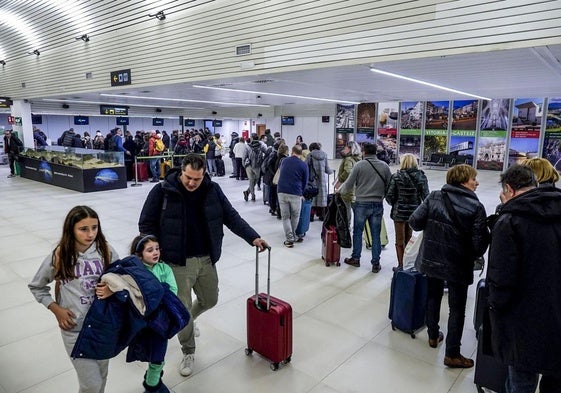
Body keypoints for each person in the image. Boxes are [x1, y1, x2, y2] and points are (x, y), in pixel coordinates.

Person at [138, 153, 268, 377]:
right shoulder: (162, 191)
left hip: (206, 259)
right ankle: (188, 350)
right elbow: (146, 223)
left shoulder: (212, 190)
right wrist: (151, 249)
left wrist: (252, 237)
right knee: (182, 308)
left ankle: (188, 319)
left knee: (210, 299)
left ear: (204, 175)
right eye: (188, 177)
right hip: (177, 263)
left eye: (196, 179)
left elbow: (231, 216)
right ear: (182, 171)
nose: (191, 183)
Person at [28, 206, 119, 393]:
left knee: (102, 376)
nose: (90, 233)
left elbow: (124, 279)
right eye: (83, 229)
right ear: (71, 229)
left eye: (94, 227)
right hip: (74, 329)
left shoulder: (106, 251)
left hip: (102, 326)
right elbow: (37, 286)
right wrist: (56, 309)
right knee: (91, 385)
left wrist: (112, 288)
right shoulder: (60, 254)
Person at [487, 165, 561, 393]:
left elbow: (501, 277)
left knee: (521, 380)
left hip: (522, 320)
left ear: (508, 188)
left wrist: (495, 309)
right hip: (556, 314)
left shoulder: (510, 221)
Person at [409, 164, 489, 368]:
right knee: (457, 308)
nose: (477, 182)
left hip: (432, 259)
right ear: (463, 180)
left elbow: (415, 222)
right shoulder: (476, 207)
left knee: (433, 297)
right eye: (473, 179)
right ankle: (452, 353)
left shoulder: (435, 196)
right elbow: (479, 246)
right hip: (458, 265)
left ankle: (433, 336)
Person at [130, 235, 177, 393]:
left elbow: (172, 293)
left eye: (157, 249)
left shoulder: (165, 269)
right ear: (139, 255)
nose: (155, 252)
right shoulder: (136, 272)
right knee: (150, 354)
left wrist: (155, 295)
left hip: (161, 322)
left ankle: (151, 384)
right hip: (144, 323)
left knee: (158, 357)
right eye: (150, 250)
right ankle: (153, 382)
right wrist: (160, 291)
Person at [337, 142, 391, 273]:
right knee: (375, 235)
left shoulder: (359, 165)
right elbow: (390, 185)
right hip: (377, 204)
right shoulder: (384, 166)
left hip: (361, 204)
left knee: (357, 232)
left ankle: (356, 258)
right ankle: (376, 263)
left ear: (364, 152)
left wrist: (339, 192)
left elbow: (348, 184)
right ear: (375, 152)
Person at [385, 153, 429, 271]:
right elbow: (426, 197)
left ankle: (401, 265)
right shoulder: (421, 177)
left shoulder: (396, 176)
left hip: (399, 213)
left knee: (399, 240)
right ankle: (409, 264)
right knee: (410, 239)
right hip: (414, 213)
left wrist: (395, 204)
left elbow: (389, 196)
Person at [277, 144, 309, 247]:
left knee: (285, 216)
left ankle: (289, 239)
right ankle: (293, 236)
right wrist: (301, 193)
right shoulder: (303, 165)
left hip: (281, 191)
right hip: (295, 192)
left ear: (292, 151)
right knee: (295, 215)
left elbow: (282, 173)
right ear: (301, 153)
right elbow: (305, 182)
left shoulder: (284, 161)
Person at [334, 141, 362, 227]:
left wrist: (340, 181)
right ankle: (357, 226)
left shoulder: (348, 159)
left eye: (345, 148)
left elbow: (348, 171)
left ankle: (346, 226)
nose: (344, 149)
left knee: (347, 209)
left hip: (348, 187)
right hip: (357, 188)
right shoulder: (358, 159)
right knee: (356, 209)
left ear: (350, 149)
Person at [306, 142, 334, 221]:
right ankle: (322, 215)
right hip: (321, 181)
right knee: (321, 198)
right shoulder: (324, 155)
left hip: (312, 180)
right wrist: (332, 171)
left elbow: (305, 167)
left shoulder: (309, 156)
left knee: (312, 197)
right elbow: (327, 169)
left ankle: (311, 216)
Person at [243, 133, 267, 202]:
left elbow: (244, 157)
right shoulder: (261, 145)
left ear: (252, 138)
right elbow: (266, 152)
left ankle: (249, 193)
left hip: (249, 165)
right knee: (256, 180)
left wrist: (244, 165)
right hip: (257, 166)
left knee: (251, 180)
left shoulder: (247, 146)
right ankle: (251, 194)